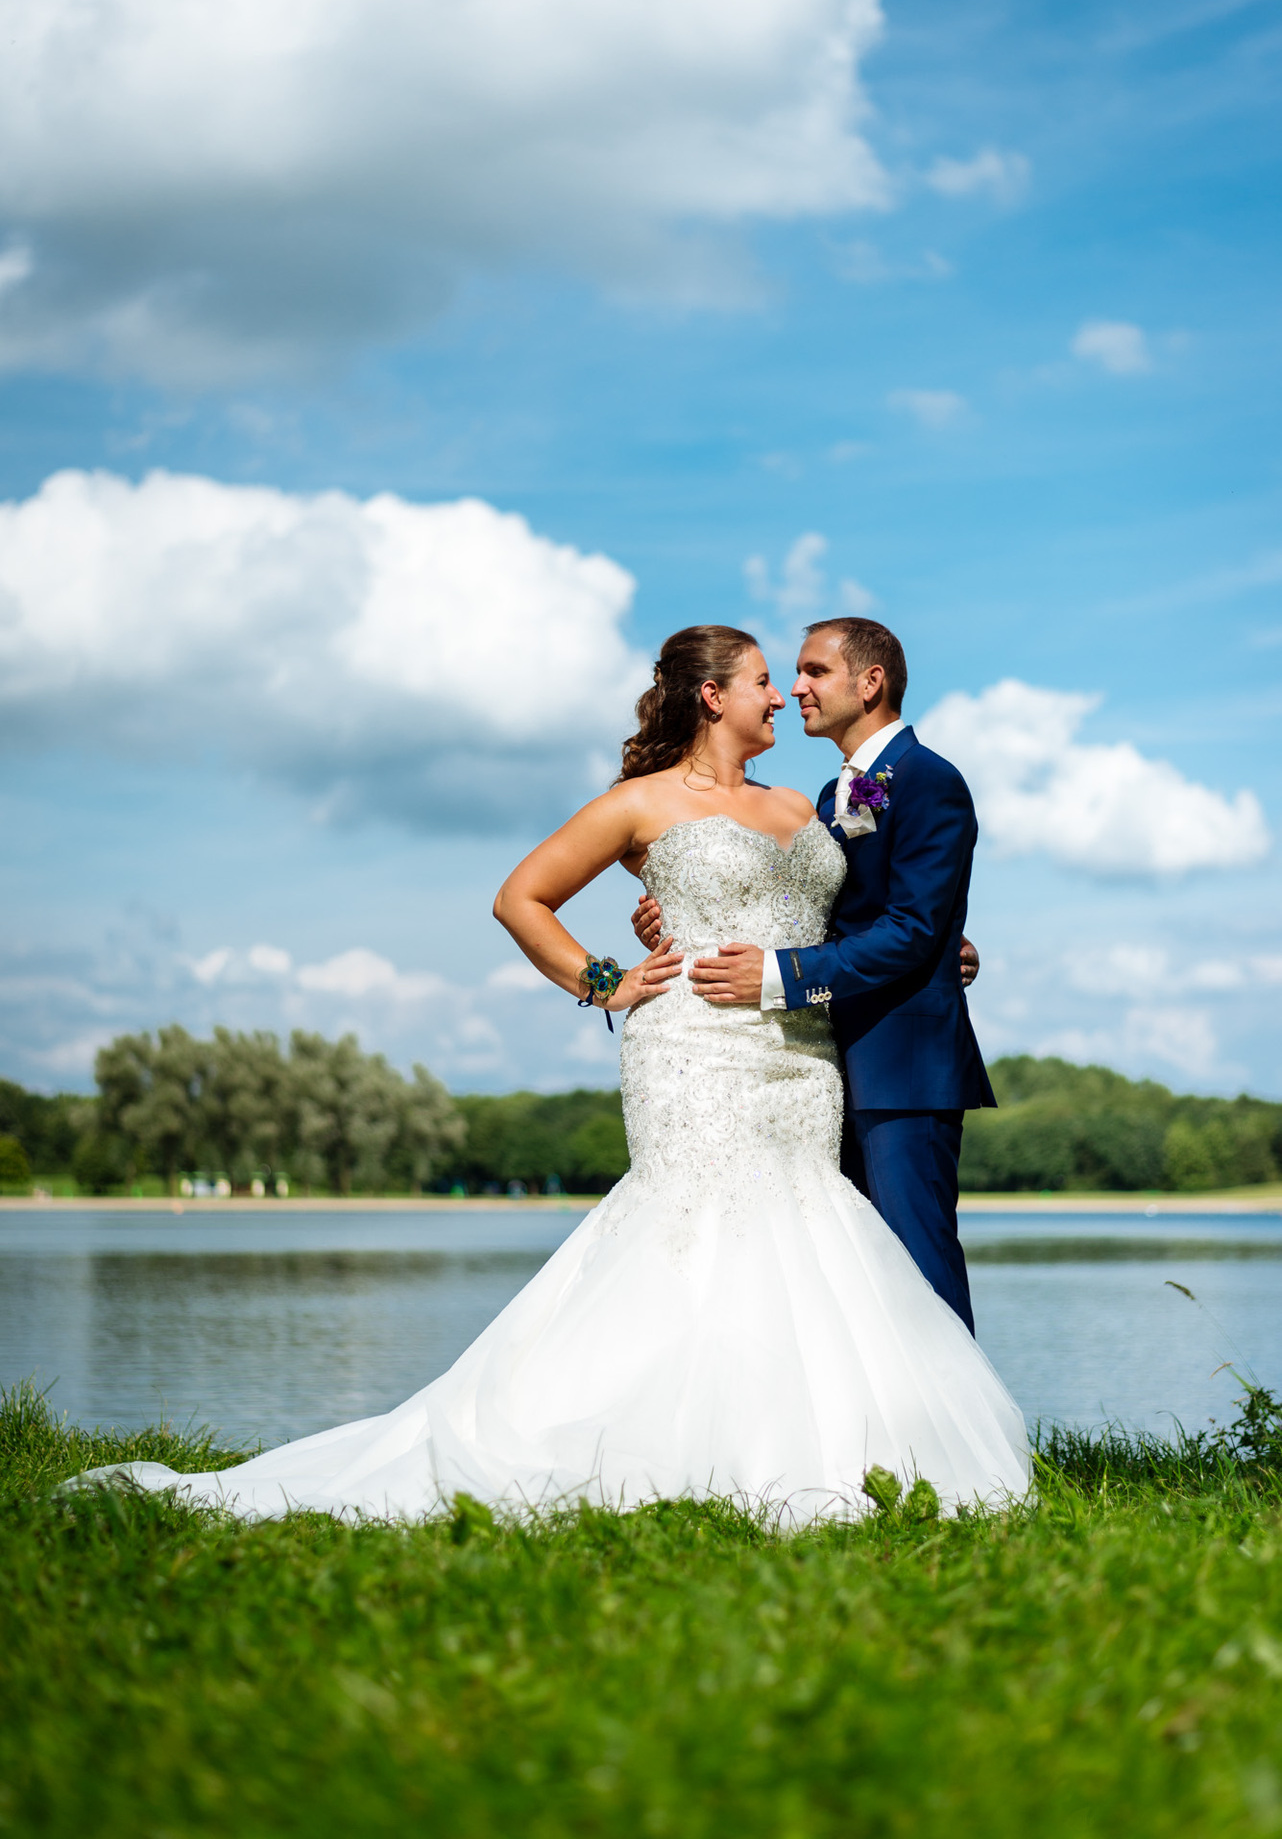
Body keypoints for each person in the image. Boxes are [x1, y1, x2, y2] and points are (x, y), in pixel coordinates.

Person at [83, 626, 1027, 1525]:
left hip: (803, 1065)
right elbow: (519, 896)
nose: (782, 692)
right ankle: (647, 1442)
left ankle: (832, 1447)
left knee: (806, 1242)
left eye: (795, 676)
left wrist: (945, 946)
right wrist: (607, 982)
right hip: (693, 1052)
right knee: (696, 1233)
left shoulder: (809, 806)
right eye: (763, 680)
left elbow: (858, 913)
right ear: (713, 696)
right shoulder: (642, 803)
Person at [634, 619, 992, 1333]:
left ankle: (962, 1443)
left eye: (814, 672)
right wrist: (677, 915)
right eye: (789, 674)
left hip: (902, 1068)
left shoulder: (928, 780)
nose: (796, 688)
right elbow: (831, 909)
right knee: (856, 1278)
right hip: (822, 1071)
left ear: (870, 682)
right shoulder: (839, 792)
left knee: (917, 1267)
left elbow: (912, 928)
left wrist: (779, 975)